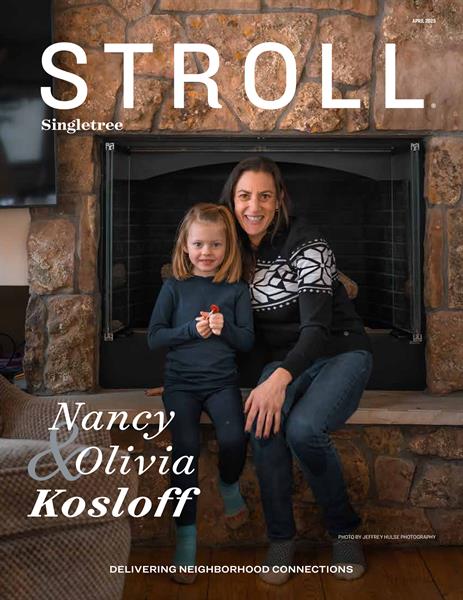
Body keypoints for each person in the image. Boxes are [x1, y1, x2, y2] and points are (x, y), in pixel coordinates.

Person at [220, 157, 373, 585]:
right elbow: (229, 330)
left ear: (280, 200)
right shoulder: (230, 249)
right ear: (232, 201)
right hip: (285, 361)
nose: (254, 206)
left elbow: (317, 330)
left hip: (341, 351)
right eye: (244, 196)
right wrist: (191, 375)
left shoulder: (309, 242)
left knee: (304, 430)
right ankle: (281, 539)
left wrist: (277, 380)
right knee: (264, 426)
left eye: (264, 196)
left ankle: (344, 531)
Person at [147, 203, 254, 584]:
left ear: (228, 248)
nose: (206, 252)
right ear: (185, 246)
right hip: (180, 386)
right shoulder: (174, 288)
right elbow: (154, 337)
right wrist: (191, 331)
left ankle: (228, 483)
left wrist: (226, 329)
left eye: (215, 245)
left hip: (222, 383)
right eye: (198, 244)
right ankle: (186, 541)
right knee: (185, 450)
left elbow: (247, 341)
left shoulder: (236, 290)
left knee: (234, 438)